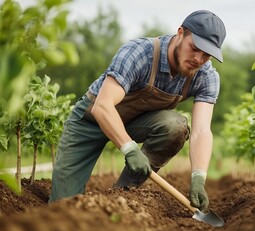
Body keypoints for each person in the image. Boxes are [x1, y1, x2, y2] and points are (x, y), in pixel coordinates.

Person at [49, 10, 226, 213]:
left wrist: (199, 177)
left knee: (175, 127)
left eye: (206, 55)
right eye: (194, 48)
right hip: (92, 120)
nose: (198, 59)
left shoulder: (206, 76)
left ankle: (122, 196)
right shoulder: (140, 53)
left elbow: (201, 130)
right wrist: (129, 149)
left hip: (138, 121)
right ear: (180, 33)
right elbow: (103, 106)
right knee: (61, 207)